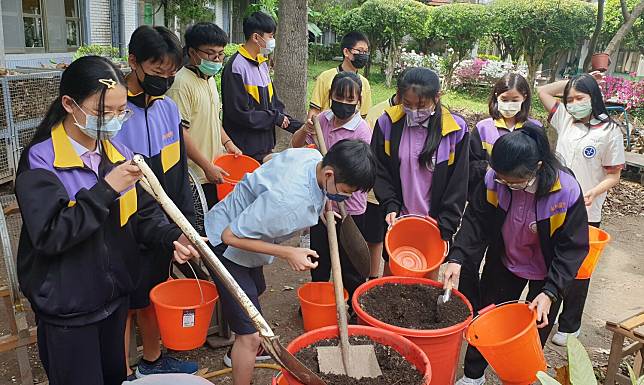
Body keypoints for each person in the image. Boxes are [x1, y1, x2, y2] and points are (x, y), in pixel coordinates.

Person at [14, 56, 198, 385]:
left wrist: (173, 237)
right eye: (103, 113)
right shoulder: (41, 161)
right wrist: (105, 190)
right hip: (69, 310)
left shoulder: (117, 153)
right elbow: (51, 234)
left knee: (114, 377)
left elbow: (142, 214)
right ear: (69, 104)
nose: (114, 120)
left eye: (120, 111)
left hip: (114, 300)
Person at [204, 140, 376, 385]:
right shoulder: (287, 201)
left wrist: (323, 203)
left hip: (249, 228)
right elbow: (229, 236)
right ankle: (243, 350)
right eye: (344, 192)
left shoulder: (313, 157)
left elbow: (269, 162)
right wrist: (288, 252)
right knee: (251, 335)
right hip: (226, 244)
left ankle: (243, 348)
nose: (344, 198)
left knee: (258, 290)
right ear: (329, 174)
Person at [444, 123, 589, 385]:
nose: (506, 185)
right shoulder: (494, 181)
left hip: (548, 271)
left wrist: (551, 292)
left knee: (533, 330)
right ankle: (474, 375)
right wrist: (457, 258)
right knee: (487, 317)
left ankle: (521, 376)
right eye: (502, 179)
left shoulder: (565, 191)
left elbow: (572, 248)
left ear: (539, 167)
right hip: (506, 260)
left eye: (516, 182)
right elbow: (476, 221)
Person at [113, 26, 198, 379]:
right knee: (124, 305)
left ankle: (152, 358)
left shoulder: (167, 109)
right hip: (124, 223)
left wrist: (185, 222)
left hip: (162, 225)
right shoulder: (112, 115)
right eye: (156, 71)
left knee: (152, 292)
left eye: (170, 73)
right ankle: (124, 370)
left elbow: (177, 173)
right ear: (133, 62)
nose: (164, 79)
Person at [538, 72, 625, 346]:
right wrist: (574, 81)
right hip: (556, 206)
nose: (574, 103)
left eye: (580, 97)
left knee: (578, 270)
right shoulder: (565, 118)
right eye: (570, 99)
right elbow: (543, 90)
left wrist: (593, 193)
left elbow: (614, 175)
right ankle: (545, 316)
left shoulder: (610, 132)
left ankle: (570, 324)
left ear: (593, 98)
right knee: (552, 263)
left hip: (587, 211)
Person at [371, 67, 469, 277]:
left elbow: (458, 183)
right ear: (399, 97)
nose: (414, 111)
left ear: (437, 97)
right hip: (398, 221)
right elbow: (379, 170)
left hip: (433, 226)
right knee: (390, 285)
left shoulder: (456, 130)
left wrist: (446, 224)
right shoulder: (387, 122)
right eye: (408, 104)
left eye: (421, 105)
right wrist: (390, 204)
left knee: (425, 287)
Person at [463, 73, 542, 311]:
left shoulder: (533, 129)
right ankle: (469, 304)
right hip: (486, 200)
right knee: (469, 259)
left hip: (516, 208)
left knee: (498, 263)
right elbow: (470, 164)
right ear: (496, 98)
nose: (508, 104)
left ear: (524, 98)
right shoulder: (484, 128)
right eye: (503, 98)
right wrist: (492, 169)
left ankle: (491, 308)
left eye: (514, 98)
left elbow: (540, 166)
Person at [291, 72, 372, 297]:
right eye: (339, 97)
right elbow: (297, 147)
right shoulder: (322, 121)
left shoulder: (361, 130)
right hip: (320, 204)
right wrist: (304, 130)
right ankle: (319, 299)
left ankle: (353, 305)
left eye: (350, 100)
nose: (343, 104)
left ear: (358, 101)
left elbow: (356, 174)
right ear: (330, 96)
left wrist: (336, 200)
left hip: (349, 207)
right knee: (319, 257)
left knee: (350, 264)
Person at [167, 22, 241, 209]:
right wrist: (206, 166)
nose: (217, 59)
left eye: (221, 53)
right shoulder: (181, 84)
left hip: (213, 169)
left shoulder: (209, 80)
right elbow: (180, 133)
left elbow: (212, 118)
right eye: (210, 53)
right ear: (192, 52)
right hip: (195, 176)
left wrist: (228, 143)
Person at [221, 11, 302, 163]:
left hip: (265, 146)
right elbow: (239, 114)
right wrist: (275, 118)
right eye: (270, 36)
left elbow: (274, 105)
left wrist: (300, 127)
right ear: (256, 37)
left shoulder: (261, 63)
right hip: (243, 150)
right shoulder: (236, 67)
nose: (273, 40)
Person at [362, 72, 404, 278]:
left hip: (402, 195)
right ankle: (371, 277)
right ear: (399, 91)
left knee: (394, 244)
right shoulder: (379, 114)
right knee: (374, 236)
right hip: (375, 193)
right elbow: (372, 154)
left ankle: (386, 280)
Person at [308, 31, 373, 121]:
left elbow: (364, 117)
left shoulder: (364, 83)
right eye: (360, 51)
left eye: (365, 52)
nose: (363, 55)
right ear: (346, 51)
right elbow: (314, 111)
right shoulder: (325, 77)